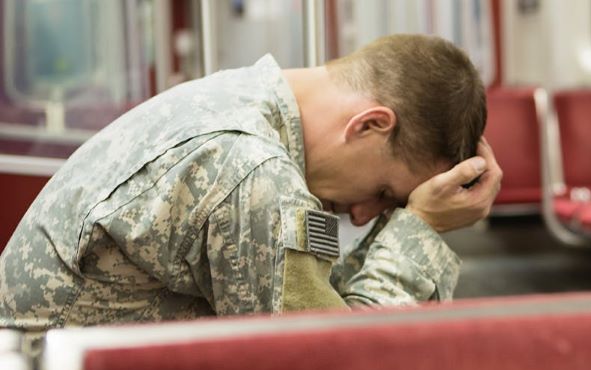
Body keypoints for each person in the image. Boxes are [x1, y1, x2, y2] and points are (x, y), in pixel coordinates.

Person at [0, 34, 501, 331]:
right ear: (369, 125)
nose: (364, 214)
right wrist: (420, 230)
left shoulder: (239, 98)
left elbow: (313, 300)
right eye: (385, 194)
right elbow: (339, 368)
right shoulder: (251, 171)